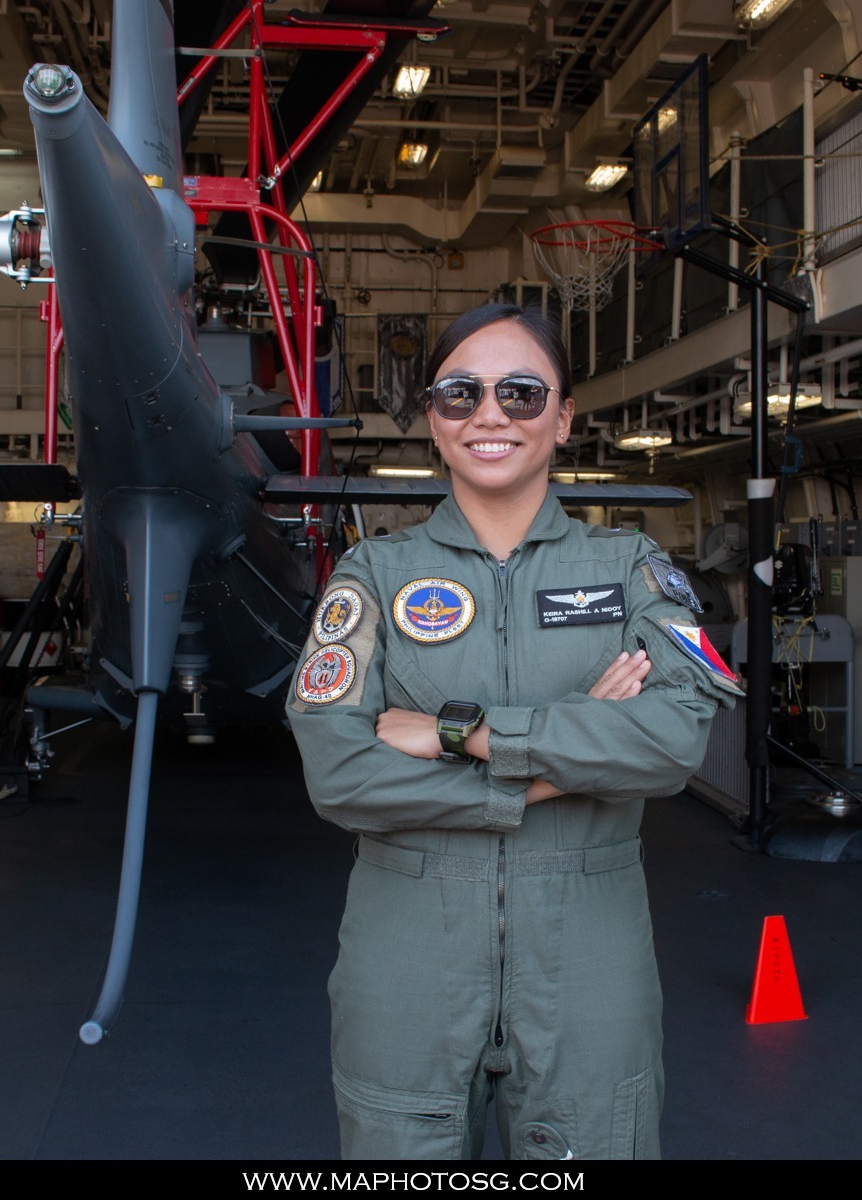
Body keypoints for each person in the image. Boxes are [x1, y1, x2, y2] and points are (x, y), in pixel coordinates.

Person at [286, 303, 738, 1160]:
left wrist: (465, 735)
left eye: (522, 392)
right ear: (433, 417)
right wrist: (558, 768)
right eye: (461, 393)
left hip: (590, 971)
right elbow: (339, 772)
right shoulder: (373, 575)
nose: (490, 414)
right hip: (407, 969)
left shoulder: (631, 569)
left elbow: (677, 735)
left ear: (564, 416)